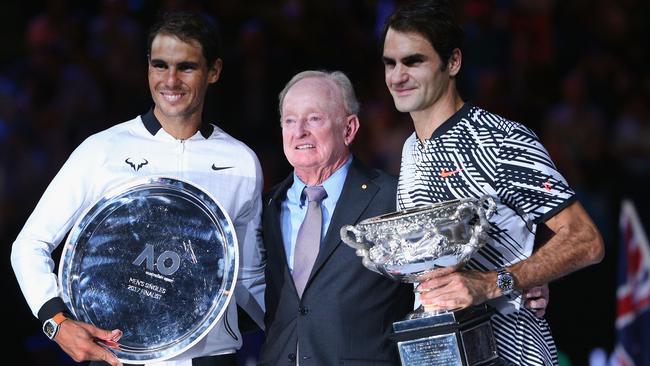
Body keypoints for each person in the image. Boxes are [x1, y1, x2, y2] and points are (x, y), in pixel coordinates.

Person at [10, 12, 265, 366]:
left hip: (213, 357)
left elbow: (247, 274)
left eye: (186, 67)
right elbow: (30, 243)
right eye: (160, 65)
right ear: (147, 67)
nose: (170, 80)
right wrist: (56, 322)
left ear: (214, 71)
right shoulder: (103, 150)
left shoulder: (241, 162)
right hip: (122, 358)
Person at [381, 1, 604, 365]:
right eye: (390, 63)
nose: (397, 76)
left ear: (452, 62)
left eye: (413, 61)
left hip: (513, 352)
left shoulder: (500, 140)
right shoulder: (410, 149)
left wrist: (492, 283)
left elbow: (586, 239)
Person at [257, 70, 414, 365]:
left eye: (314, 118)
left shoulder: (392, 198)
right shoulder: (267, 205)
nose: (299, 131)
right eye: (290, 120)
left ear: (349, 129)